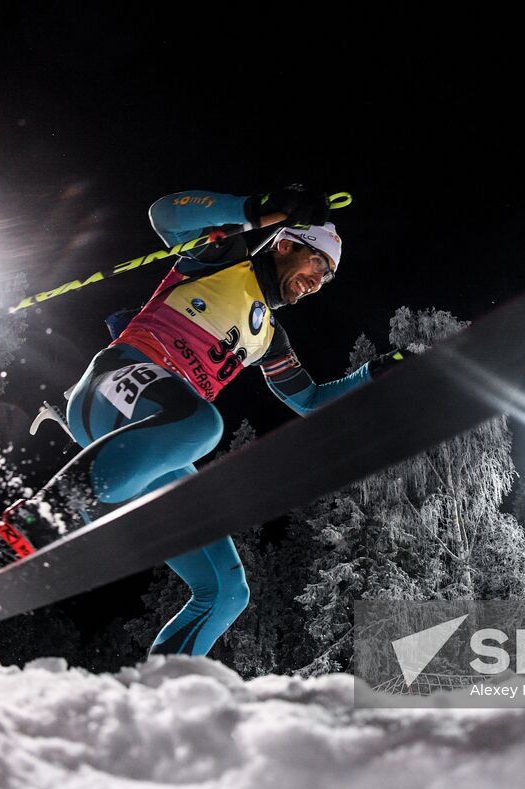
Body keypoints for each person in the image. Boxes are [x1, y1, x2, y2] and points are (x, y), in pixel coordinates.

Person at [32, 186, 400, 656]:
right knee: (203, 425)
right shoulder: (226, 254)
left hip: (153, 444)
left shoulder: (269, 335)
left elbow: (308, 399)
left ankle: (161, 702)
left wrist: (376, 373)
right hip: (114, 387)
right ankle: (46, 514)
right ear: (286, 244)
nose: (318, 282)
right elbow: (163, 213)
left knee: (227, 591)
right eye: (318, 265)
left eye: (327, 278)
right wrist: (256, 210)